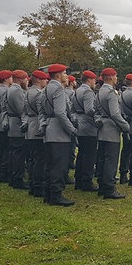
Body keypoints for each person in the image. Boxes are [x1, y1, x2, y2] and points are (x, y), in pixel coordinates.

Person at [41, 63, 77, 206]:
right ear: (58, 75)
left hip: (49, 129)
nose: (66, 75)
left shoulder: (46, 89)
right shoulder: (58, 90)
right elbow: (61, 113)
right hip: (59, 131)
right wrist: (72, 130)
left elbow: (42, 111)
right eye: (64, 72)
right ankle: (56, 195)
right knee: (59, 164)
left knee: (50, 163)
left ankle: (48, 194)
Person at [95, 67, 130, 199]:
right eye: (115, 76)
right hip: (111, 130)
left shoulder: (99, 92)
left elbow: (96, 112)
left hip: (102, 129)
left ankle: (102, 186)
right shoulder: (111, 93)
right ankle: (109, 188)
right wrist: (125, 126)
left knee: (102, 159)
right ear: (110, 77)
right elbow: (115, 113)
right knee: (111, 160)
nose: (117, 78)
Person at [72, 70, 99, 192]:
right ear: (89, 80)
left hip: (79, 123)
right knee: (89, 155)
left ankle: (79, 180)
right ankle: (87, 181)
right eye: (94, 80)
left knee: (82, 154)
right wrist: (99, 115)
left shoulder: (77, 90)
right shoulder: (88, 91)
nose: (95, 82)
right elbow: (89, 110)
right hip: (88, 125)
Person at [24, 70, 48, 197]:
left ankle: (33, 184)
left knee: (32, 158)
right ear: (38, 80)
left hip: (30, 125)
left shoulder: (28, 92)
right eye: (44, 79)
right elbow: (42, 111)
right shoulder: (39, 94)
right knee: (39, 159)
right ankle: (38, 186)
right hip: (38, 125)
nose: (46, 81)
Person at [7, 70, 29, 190]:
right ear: (21, 79)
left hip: (13, 124)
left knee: (14, 153)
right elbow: (22, 110)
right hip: (17, 125)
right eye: (25, 79)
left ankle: (14, 177)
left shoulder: (11, 89)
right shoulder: (17, 91)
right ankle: (17, 178)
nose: (27, 81)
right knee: (18, 154)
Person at [0, 70, 13, 183]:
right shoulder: (5, 91)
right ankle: (3, 173)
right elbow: (5, 107)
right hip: (4, 121)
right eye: (10, 78)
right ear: (6, 79)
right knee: (5, 149)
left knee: (0, 148)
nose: (12, 80)